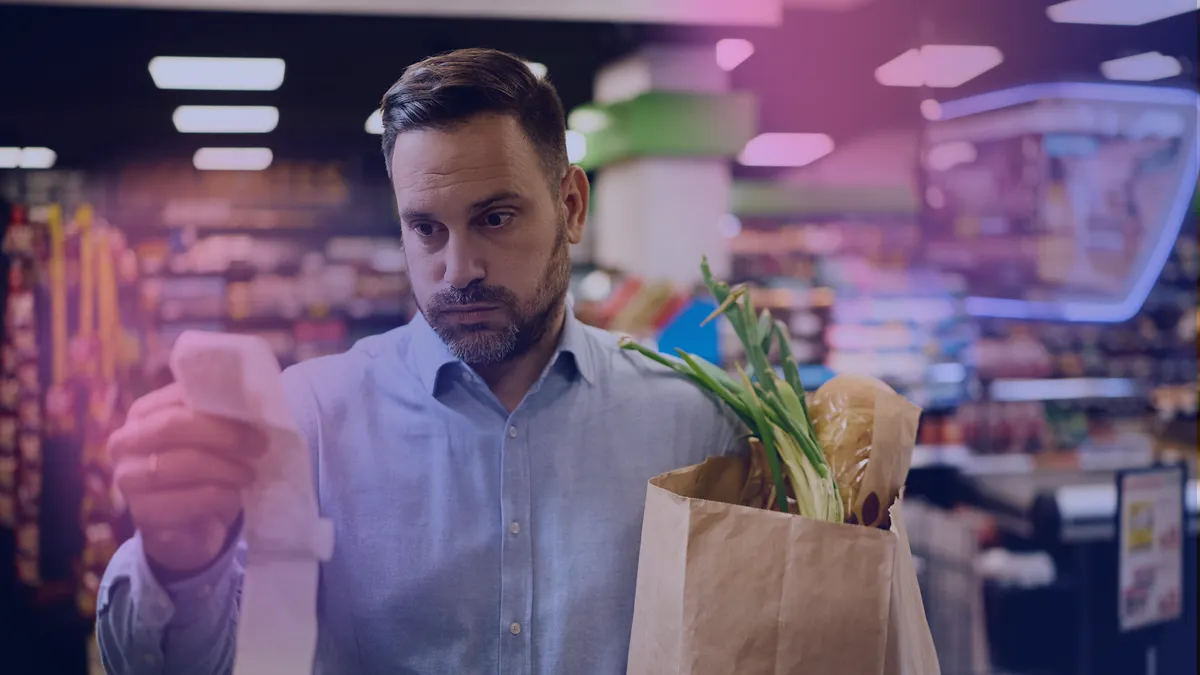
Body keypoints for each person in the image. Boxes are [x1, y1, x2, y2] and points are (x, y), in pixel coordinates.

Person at [96, 47, 740, 674]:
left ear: (571, 206)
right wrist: (181, 567)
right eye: (426, 228)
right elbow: (208, 663)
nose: (459, 270)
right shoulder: (307, 420)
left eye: (495, 217)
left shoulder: (695, 421)